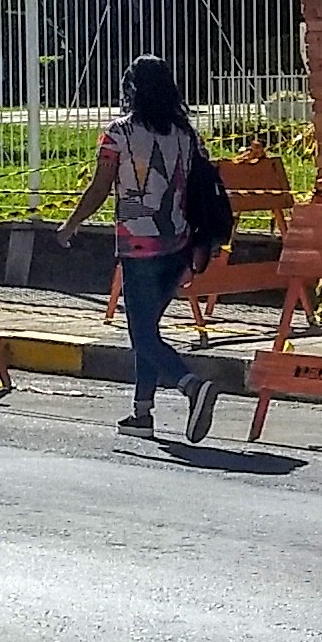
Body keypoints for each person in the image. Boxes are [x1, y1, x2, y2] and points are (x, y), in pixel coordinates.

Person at [59, 55, 218, 443]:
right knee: (147, 327)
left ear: (131, 89)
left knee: (141, 334)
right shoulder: (186, 134)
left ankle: (191, 385)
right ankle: (141, 412)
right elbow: (200, 190)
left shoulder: (119, 134)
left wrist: (71, 223)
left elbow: (99, 188)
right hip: (177, 244)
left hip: (139, 247)